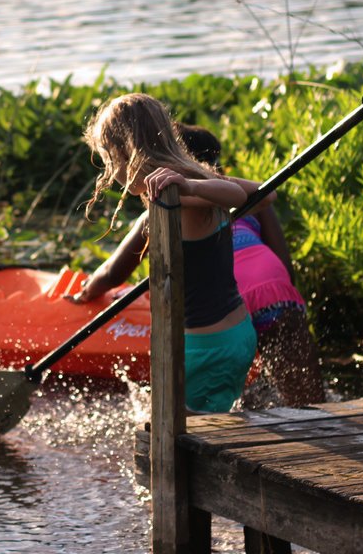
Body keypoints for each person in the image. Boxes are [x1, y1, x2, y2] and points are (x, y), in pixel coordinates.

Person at [69, 92, 256, 414]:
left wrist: (85, 294)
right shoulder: (195, 185)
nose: (112, 175)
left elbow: (238, 194)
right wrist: (199, 179)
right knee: (211, 425)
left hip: (203, 348)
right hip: (236, 334)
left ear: (122, 153)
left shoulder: (178, 197)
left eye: (109, 161)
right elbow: (263, 194)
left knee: (180, 441)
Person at [177, 123, 324, 406]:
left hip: (226, 308)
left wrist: (89, 290)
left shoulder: (170, 199)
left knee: (234, 402)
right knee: (308, 401)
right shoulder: (243, 194)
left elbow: (113, 271)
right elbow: (283, 260)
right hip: (274, 291)